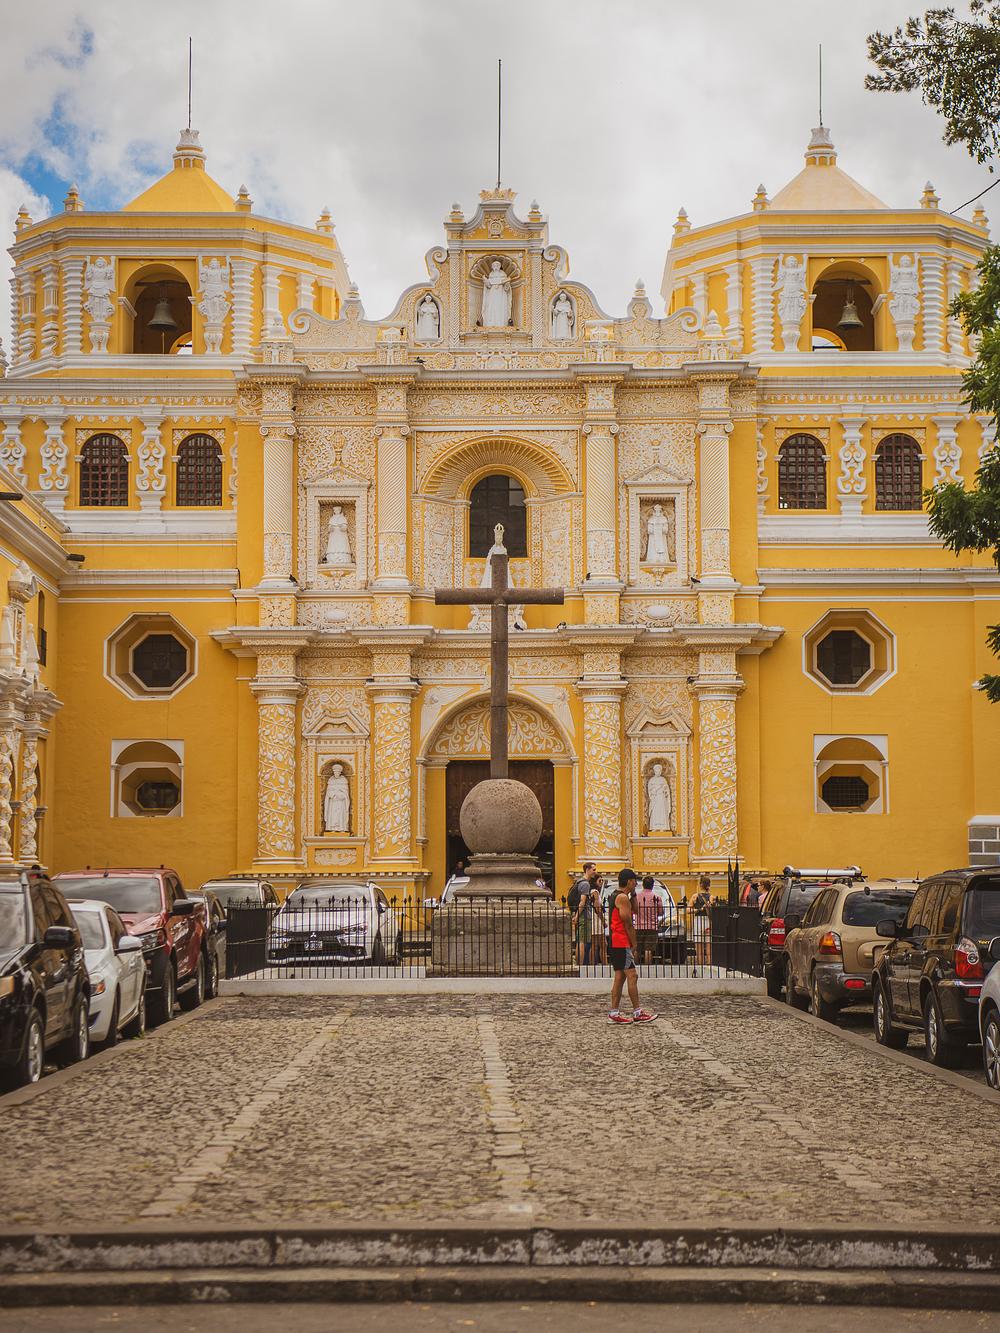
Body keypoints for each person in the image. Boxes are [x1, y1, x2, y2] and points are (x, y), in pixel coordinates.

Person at [607, 868, 657, 1025]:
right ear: (629, 881)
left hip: (615, 941)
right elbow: (628, 923)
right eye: (634, 880)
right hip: (621, 941)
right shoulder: (622, 898)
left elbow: (635, 910)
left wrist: (634, 894)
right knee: (632, 976)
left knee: (620, 977)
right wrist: (634, 943)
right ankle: (637, 1012)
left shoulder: (619, 896)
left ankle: (614, 1012)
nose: (636, 883)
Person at [635, 875, 661, 965]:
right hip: (652, 926)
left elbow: (633, 910)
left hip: (638, 925)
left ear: (643, 885)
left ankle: (635, 967)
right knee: (648, 949)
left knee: (637, 948)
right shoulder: (657, 898)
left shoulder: (636, 897)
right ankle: (648, 968)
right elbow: (661, 912)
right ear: (653, 885)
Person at [692, 874, 712, 970]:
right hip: (708, 921)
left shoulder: (695, 896)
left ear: (700, 885)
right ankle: (709, 966)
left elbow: (688, 910)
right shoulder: (712, 897)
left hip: (698, 921)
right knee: (708, 945)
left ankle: (700, 967)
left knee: (699, 945)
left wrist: (698, 910)